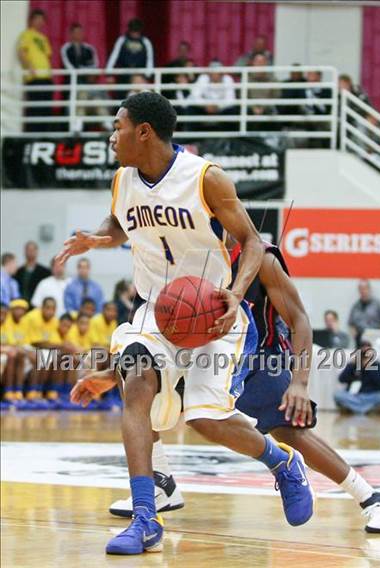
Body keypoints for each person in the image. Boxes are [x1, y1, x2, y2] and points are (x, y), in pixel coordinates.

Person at [57, 91, 314, 555]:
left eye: (118, 127)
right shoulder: (123, 180)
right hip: (157, 311)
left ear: (144, 132)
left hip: (211, 313)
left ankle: (283, 463)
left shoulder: (205, 178)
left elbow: (252, 243)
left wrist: (235, 296)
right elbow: (120, 225)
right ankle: (145, 518)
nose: (111, 136)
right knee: (136, 382)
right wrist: (97, 240)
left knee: (205, 419)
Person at [73, 240, 380, 534]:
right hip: (200, 354)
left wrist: (299, 383)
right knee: (143, 384)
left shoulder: (261, 259)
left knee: (289, 430)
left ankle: (372, 497)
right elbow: (150, 336)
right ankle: (161, 484)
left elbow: (300, 318)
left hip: (261, 357)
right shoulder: (183, 256)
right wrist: (108, 372)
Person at [17, 9, 53, 132]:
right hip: (34, 77)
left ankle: (44, 134)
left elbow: (48, 55)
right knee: (34, 108)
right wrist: (29, 67)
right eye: (37, 19)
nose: (40, 22)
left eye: (42, 20)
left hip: (46, 77)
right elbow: (22, 51)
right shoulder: (26, 34)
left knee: (45, 109)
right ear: (31, 20)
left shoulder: (43, 38)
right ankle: (32, 133)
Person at [335, 340, 380, 415]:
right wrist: (351, 366)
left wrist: (368, 366)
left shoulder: (378, 366)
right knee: (338, 395)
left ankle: (355, 409)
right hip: (354, 396)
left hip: (371, 396)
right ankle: (365, 410)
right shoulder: (353, 365)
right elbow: (341, 379)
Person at [106, 18, 154, 94]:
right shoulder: (122, 40)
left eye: (137, 31)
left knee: (142, 95)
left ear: (140, 31)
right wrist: (109, 74)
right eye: (133, 30)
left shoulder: (146, 42)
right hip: (124, 75)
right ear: (129, 30)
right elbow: (114, 56)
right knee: (122, 98)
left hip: (140, 76)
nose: (135, 33)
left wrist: (146, 76)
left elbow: (150, 60)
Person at [348, 280, 380, 345]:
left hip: (374, 338)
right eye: (360, 289)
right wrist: (354, 334)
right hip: (360, 340)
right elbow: (351, 323)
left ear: (369, 289)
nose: (363, 291)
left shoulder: (377, 304)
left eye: (365, 288)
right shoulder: (355, 306)